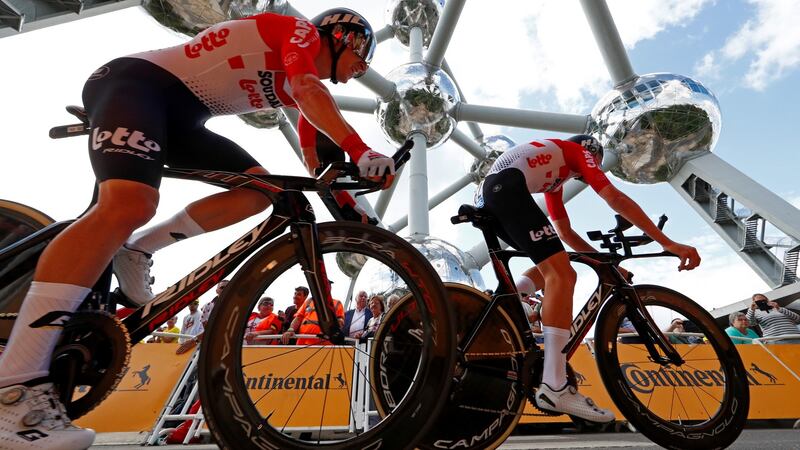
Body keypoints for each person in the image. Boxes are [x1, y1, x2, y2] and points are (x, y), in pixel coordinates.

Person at [0, 8, 393, 448]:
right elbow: (310, 89)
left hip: (181, 118)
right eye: (361, 56)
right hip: (136, 85)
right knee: (129, 203)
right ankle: (14, 388)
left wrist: (353, 210)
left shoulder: (292, 87)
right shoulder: (299, 34)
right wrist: (361, 148)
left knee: (260, 192)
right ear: (339, 35)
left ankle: (137, 249)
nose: (359, 70)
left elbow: (316, 155)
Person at [477, 135, 701, 423]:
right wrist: (668, 242)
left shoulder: (554, 179)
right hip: (504, 189)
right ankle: (555, 384)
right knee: (562, 273)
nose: (588, 172)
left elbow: (566, 233)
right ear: (592, 153)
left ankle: (505, 302)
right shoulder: (576, 151)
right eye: (593, 164)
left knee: (555, 262)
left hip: (492, 195)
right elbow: (615, 198)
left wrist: (602, 263)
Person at [282, 281, 344, 345]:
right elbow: (298, 318)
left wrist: (328, 332)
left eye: (326, 286)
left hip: (324, 345)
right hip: (302, 342)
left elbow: (340, 322)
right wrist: (291, 329)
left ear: (329, 288)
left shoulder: (337, 303)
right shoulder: (308, 301)